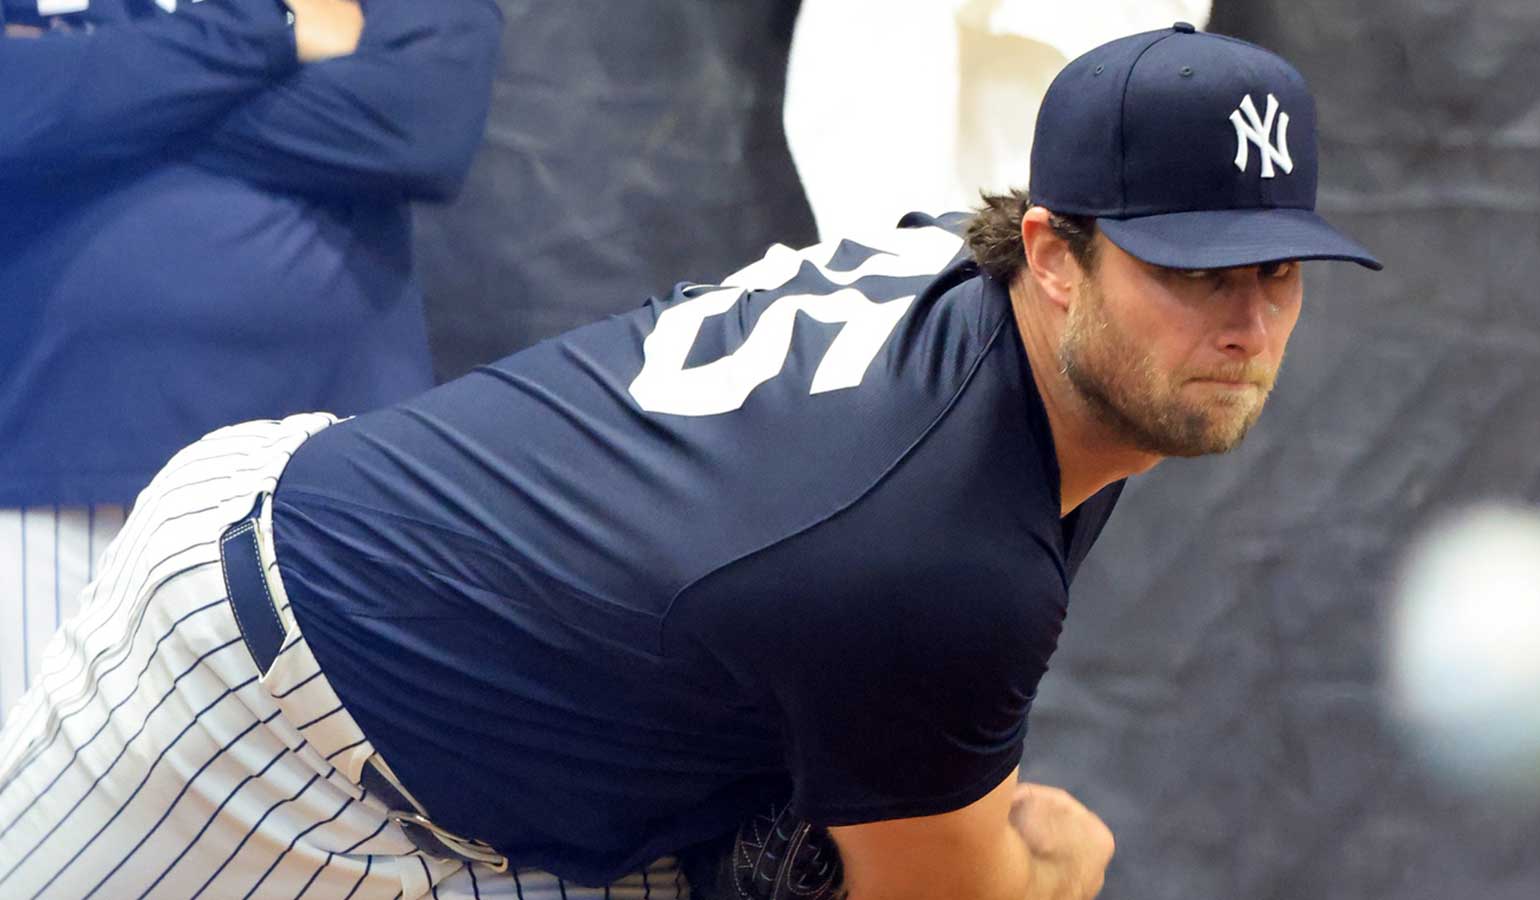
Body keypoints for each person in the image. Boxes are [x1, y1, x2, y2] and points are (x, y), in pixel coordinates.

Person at [0, 23, 1379, 900]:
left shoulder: (949, 273)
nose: (1245, 319)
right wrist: (1051, 864)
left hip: (447, 706)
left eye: (1277, 269)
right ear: (1052, 256)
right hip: (241, 717)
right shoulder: (941, 544)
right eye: (1188, 269)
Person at [0, 0, 502, 725]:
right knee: (29, 821)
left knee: (329, 823)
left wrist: (99, 103)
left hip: (318, 480)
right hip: (45, 469)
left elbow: (420, 121)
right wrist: (271, 29)